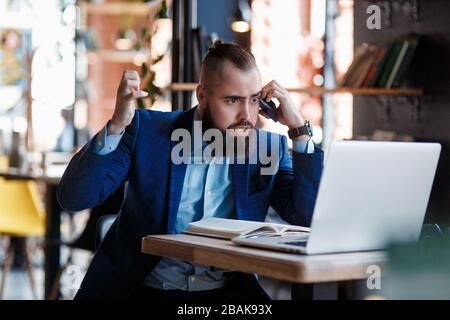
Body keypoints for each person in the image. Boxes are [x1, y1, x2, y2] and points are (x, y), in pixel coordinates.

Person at [57, 40, 324, 300]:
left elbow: (307, 218)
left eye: (254, 100)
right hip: (144, 288)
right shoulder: (147, 131)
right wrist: (116, 126)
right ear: (202, 97)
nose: (247, 115)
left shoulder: (269, 149)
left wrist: (299, 131)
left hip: (226, 295)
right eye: (232, 100)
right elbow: (74, 198)